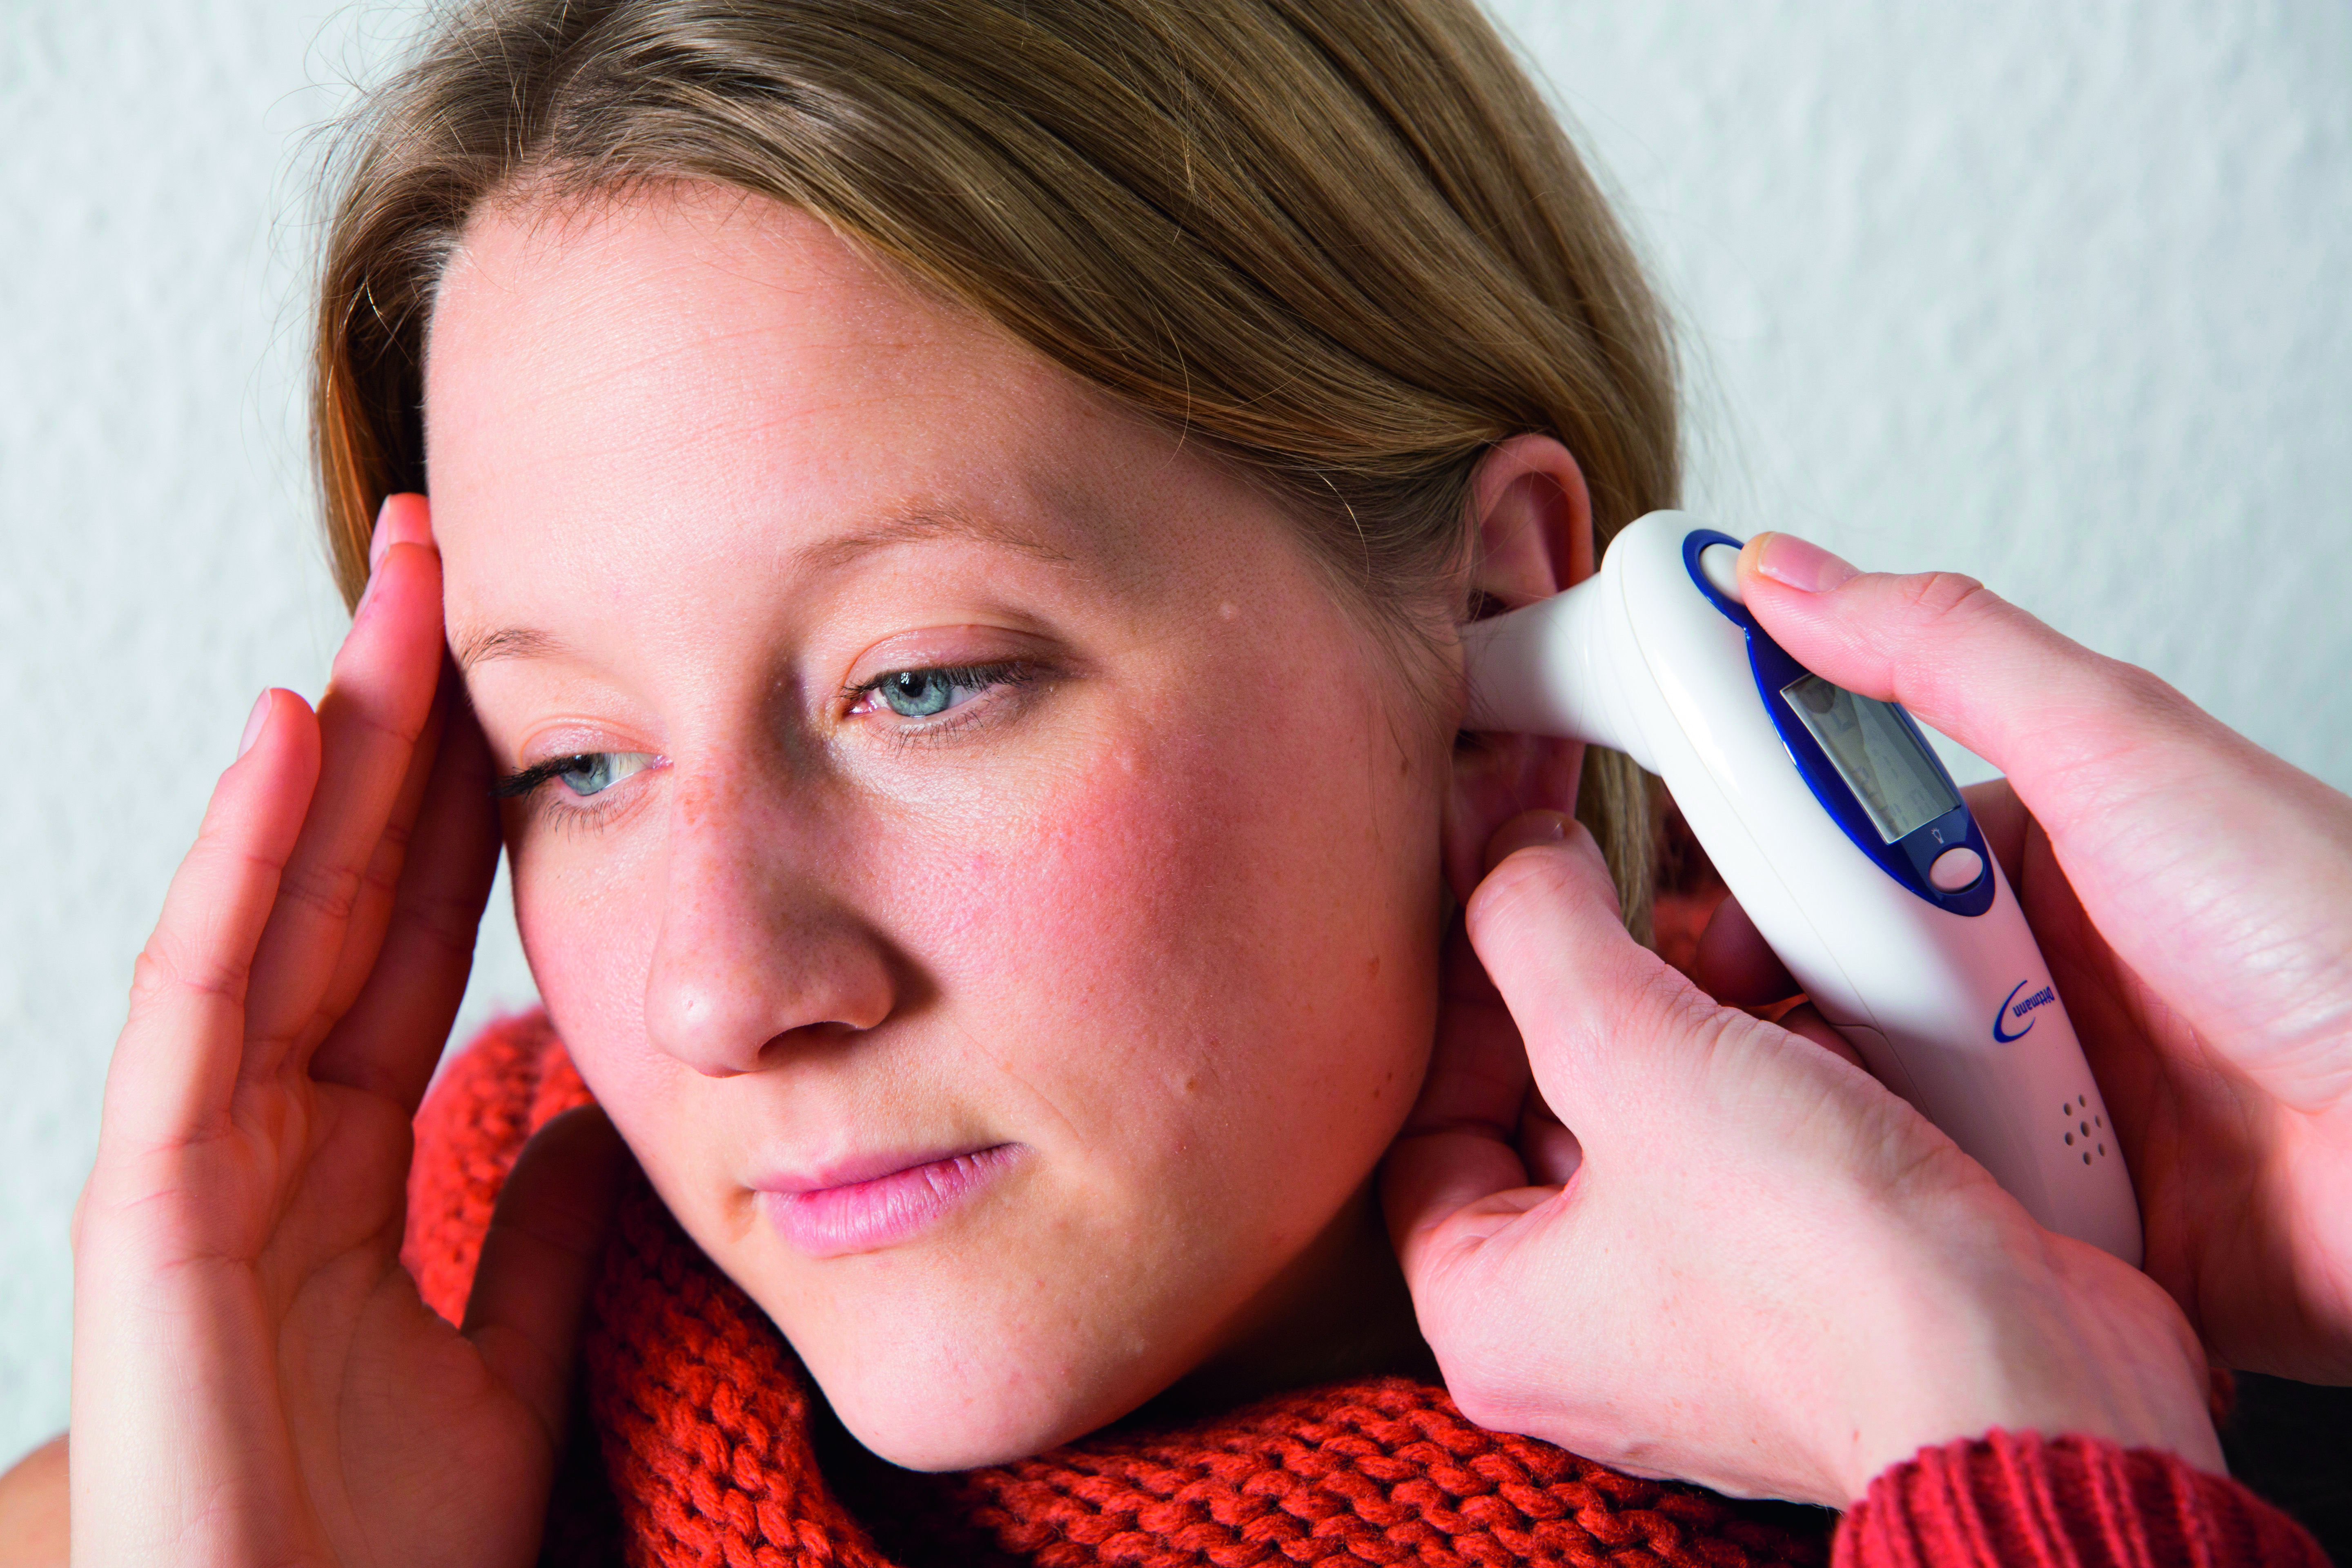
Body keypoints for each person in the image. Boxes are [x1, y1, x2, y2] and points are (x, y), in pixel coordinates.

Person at [3, 1, 2344, 1563]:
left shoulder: (2148, 1414)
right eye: (576, 759)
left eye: (924, 686)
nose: (723, 989)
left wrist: (2007, 1451)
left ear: (1494, 651)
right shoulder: (222, 1486)